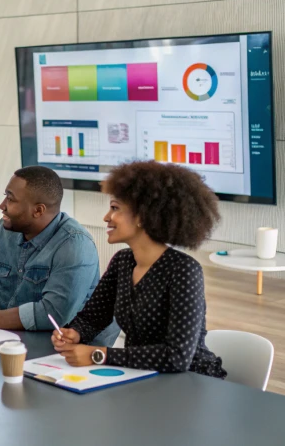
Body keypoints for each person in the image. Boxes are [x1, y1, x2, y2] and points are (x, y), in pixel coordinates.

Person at [53, 161, 227, 378]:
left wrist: (98, 355)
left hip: (191, 382)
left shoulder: (184, 270)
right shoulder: (122, 262)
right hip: (142, 377)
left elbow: (177, 356)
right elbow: (92, 318)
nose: (106, 217)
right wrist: (74, 333)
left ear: (142, 216)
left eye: (115, 208)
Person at [0, 166, 119, 346]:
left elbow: (52, 314)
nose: (2, 205)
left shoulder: (75, 244)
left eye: (10, 199)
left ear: (38, 210)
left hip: (74, 349)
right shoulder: (2, 231)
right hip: (18, 339)